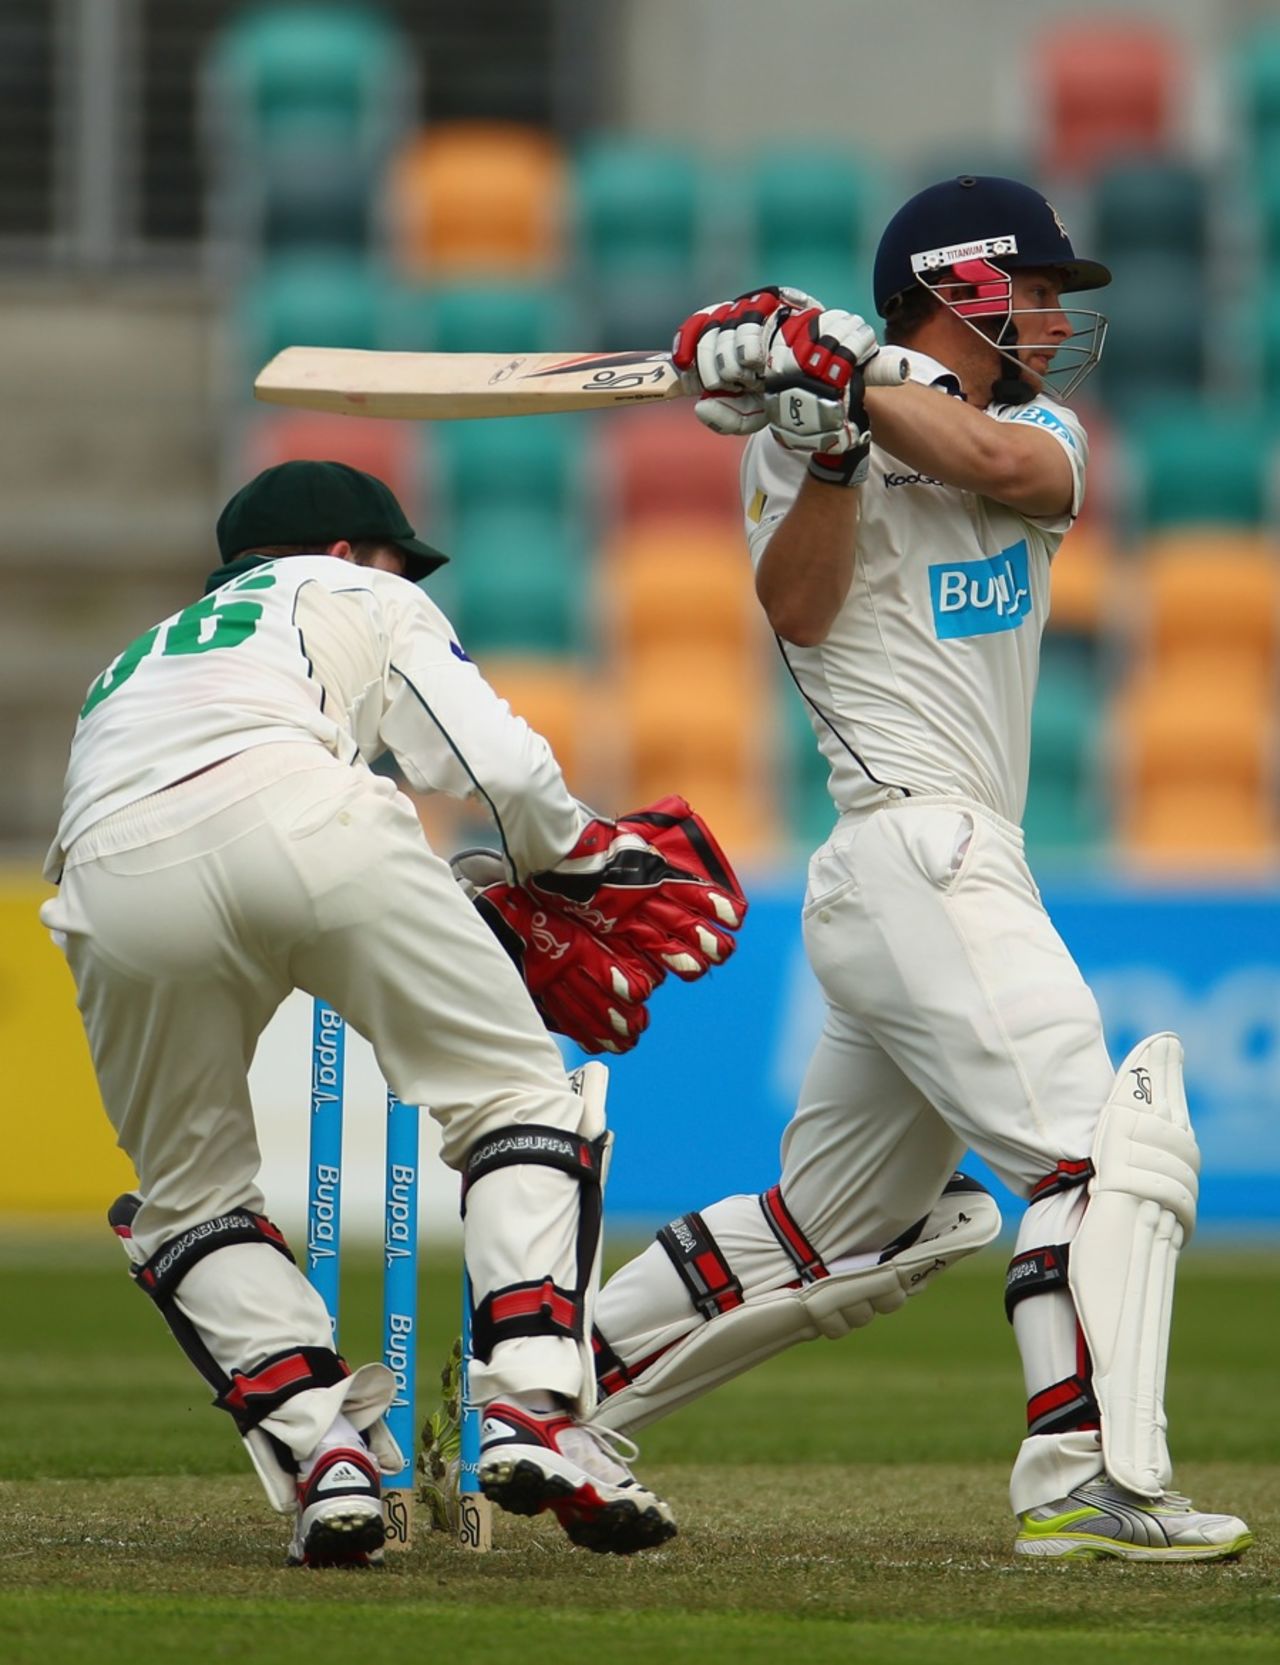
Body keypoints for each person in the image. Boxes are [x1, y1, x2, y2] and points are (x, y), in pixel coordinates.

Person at [588, 176, 1252, 1563]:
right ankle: (1085, 1479)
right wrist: (825, 433)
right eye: (1041, 286)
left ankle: (542, 1391)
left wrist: (840, 361)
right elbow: (798, 605)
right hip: (911, 842)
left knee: (831, 1227)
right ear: (961, 283)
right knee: (1100, 1152)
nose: (1062, 315)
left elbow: (998, 469)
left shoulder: (1044, 431)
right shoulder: (807, 437)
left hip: (947, 866)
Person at [41, 459, 742, 1565]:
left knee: (185, 1202)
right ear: (346, 551)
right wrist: (578, 863)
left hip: (111, 878)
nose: (403, 572)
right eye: (391, 554)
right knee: (517, 1098)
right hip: (304, 813)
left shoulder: (131, 660)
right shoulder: (361, 590)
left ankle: (326, 1457)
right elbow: (494, 765)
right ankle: (531, 1403)